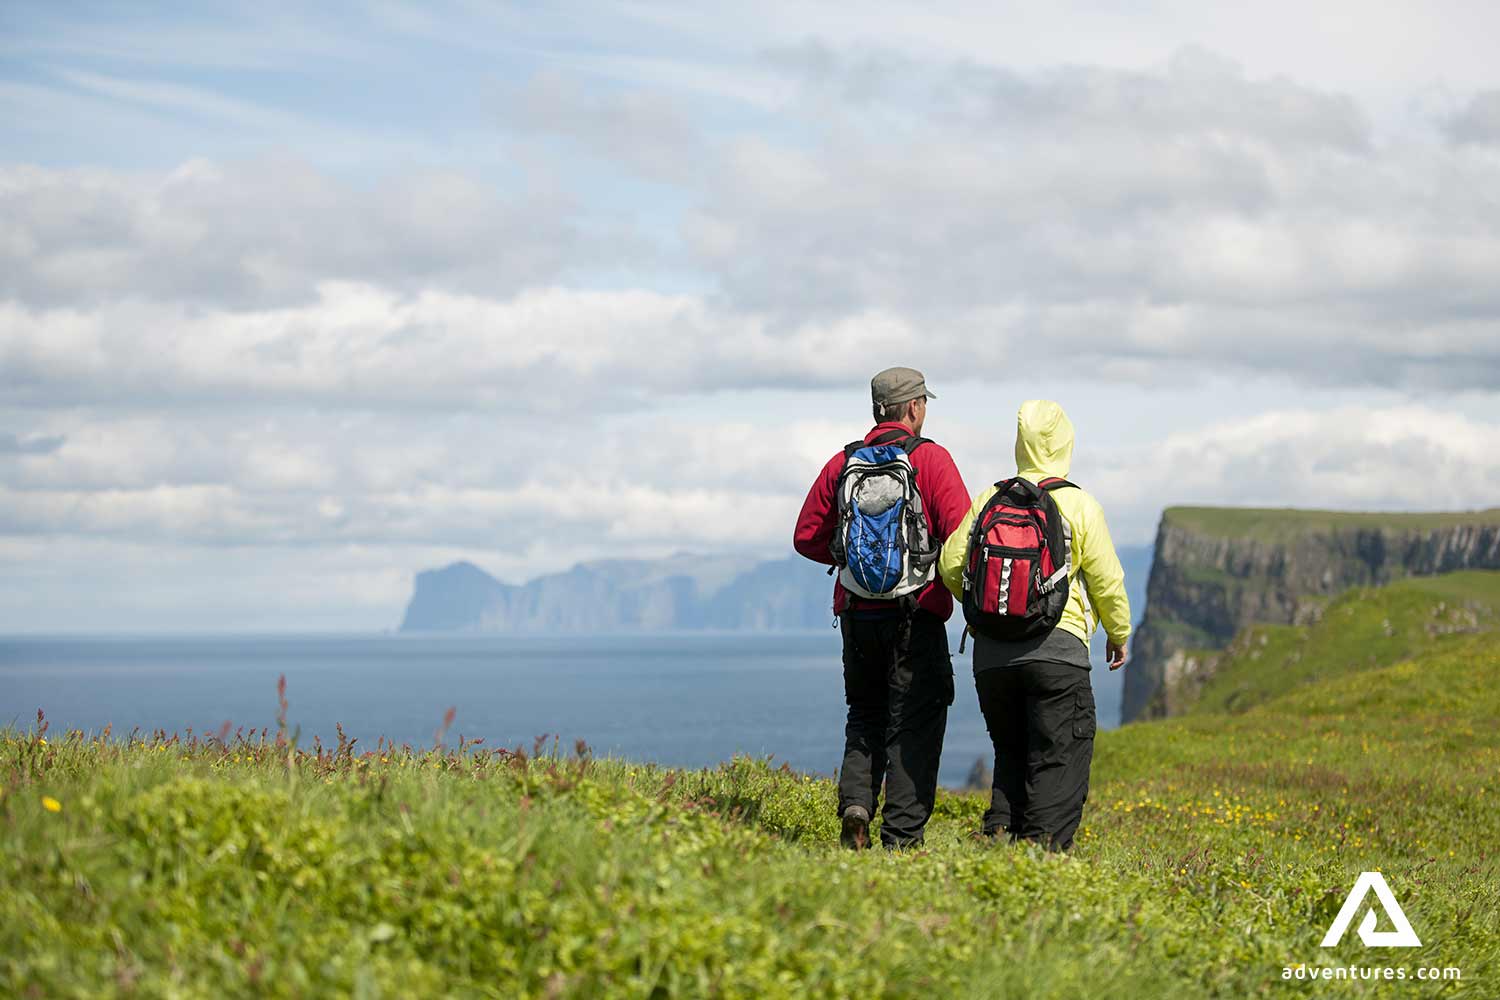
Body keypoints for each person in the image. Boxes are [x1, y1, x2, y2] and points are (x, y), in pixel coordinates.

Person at [938, 399, 1130, 852]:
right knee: (1057, 760)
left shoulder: (991, 498)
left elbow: (949, 564)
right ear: (1065, 443)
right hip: (1058, 652)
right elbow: (1107, 581)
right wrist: (1117, 634)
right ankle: (1039, 863)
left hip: (992, 658)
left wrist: (989, 608)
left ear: (1020, 444)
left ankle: (1001, 847)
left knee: (1011, 753)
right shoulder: (1080, 505)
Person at [793, 367, 970, 849]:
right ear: (913, 408)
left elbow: (805, 536)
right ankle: (901, 840)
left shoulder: (843, 463)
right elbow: (963, 535)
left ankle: (856, 806)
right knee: (915, 722)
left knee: (865, 714)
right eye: (924, 403)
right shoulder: (931, 460)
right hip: (917, 614)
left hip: (857, 614)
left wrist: (852, 558)